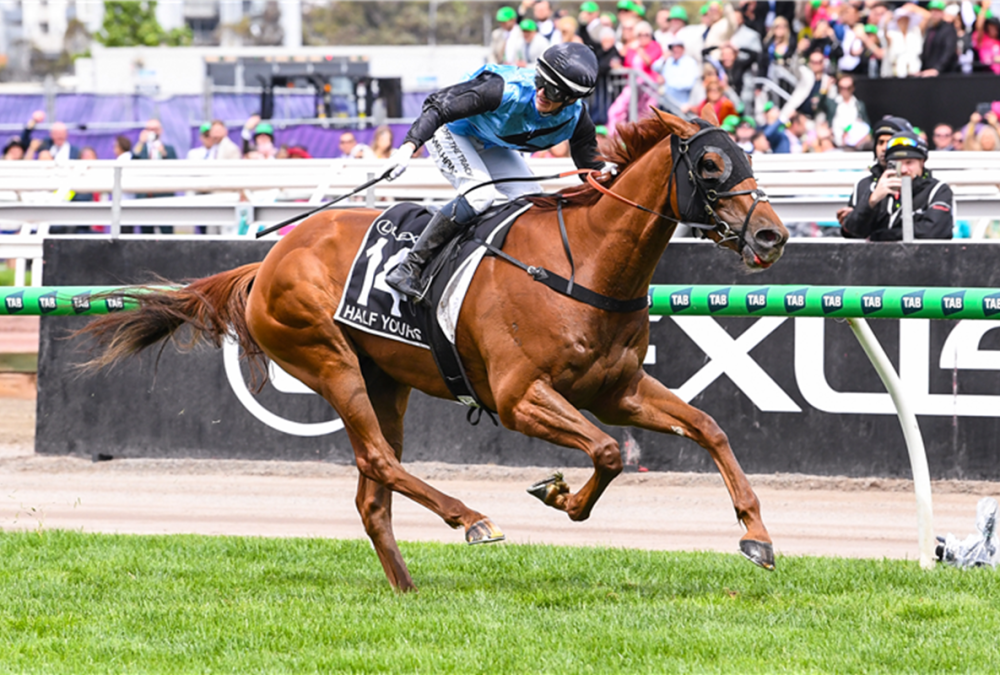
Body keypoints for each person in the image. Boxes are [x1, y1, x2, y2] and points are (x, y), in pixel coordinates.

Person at [379, 42, 610, 300]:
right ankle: (410, 266)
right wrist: (407, 148)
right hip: (451, 130)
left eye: (553, 91)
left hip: (491, 141)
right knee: (480, 196)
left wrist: (612, 179)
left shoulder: (576, 119)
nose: (542, 92)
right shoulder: (503, 89)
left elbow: (590, 167)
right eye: (540, 80)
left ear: (571, 100)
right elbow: (438, 106)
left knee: (533, 203)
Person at [841, 130, 953, 241]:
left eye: (909, 162)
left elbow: (934, 231)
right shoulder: (873, 188)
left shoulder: (938, 190)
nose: (903, 170)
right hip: (876, 258)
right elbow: (853, 232)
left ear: (922, 162)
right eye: (897, 164)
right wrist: (871, 201)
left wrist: (883, 236)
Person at [837, 116, 912, 237]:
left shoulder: (921, 184)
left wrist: (885, 236)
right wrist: (849, 221)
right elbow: (853, 232)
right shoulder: (863, 185)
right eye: (880, 142)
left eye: (889, 142)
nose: (883, 148)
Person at [920, 0, 959, 76]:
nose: (934, 14)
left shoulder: (949, 29)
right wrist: (922, 69)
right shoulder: (929, 30)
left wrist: (937, 69)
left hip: (945, 75)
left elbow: (948, 52)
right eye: (932, 11)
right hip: (928, 73)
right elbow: (926, 52)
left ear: (942, 13)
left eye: (937, 11)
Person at [659, 37, 700, 108]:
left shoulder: (690, 62)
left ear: (683, 49)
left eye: (678, 47)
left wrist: (667, 82)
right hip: (666, 104)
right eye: (673, 48)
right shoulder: (669, 61)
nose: (675, 50)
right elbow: (655, 67)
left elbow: (688, 83)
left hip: (680, 107)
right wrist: (663, 59)